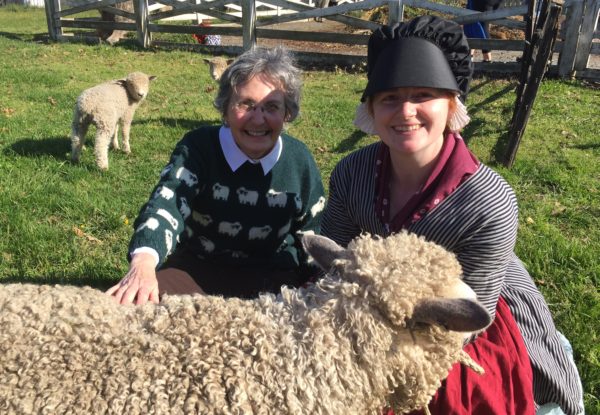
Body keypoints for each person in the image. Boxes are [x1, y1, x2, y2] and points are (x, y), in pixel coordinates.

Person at [321, 15, 584, 415]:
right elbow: (336, 264)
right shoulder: (351, 173)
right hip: (375, 299)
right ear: (371, 108)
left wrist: (387, 352)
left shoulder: (489, 200)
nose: (406, 111)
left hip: (464, 313)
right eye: (389, 97)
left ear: (451, 104)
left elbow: (471, 317)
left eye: (423, 95)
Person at [108, 46, 325, 304]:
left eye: (272, 107)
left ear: (287, 113)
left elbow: (314, 232)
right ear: (225, 108)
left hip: (273, 279)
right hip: (197, 271)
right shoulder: (198, 147)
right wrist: (143, 263)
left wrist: (316, 283)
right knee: (144, 307)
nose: (258, 119)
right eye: (246, 104)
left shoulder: (299, 159)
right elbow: (167, 204)